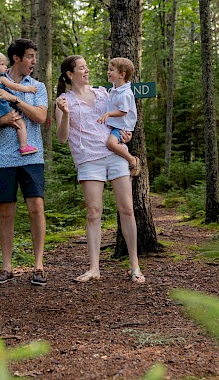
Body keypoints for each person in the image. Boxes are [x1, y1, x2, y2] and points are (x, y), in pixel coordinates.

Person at [55, 55, 145, 284]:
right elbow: (62, 138)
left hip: (114, 155)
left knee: (126, 209)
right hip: (88, 159)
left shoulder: (104, 93)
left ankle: (134, 265)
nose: (87, 71)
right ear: (70, 74)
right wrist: (65, 115)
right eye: (82, 68)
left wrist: (127, 134)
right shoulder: (64, 100)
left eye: (86, 67)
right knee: (94, 213)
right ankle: (94, 267)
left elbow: (122, 117)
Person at [0, 39, 48, 286]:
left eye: (35, 56)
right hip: (1, 159)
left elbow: (41, 117)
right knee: (5, 212)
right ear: (16, 59)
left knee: (36, 208)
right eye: (30, 56)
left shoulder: (37, 87)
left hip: (31, 157)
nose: (34, 61)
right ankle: (6, 266)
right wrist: (1, 121)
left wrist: (13, 98)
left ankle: (39, 266)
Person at [97, 57, 141, 177]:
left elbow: (123, 111)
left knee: (111, 144)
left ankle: (132, 160)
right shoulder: (114, 89)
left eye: (111, 70)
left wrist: (108, 114)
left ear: (122, 75)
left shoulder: (125, 93)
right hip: (115, 125)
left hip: (122, 127)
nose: (108, 72)